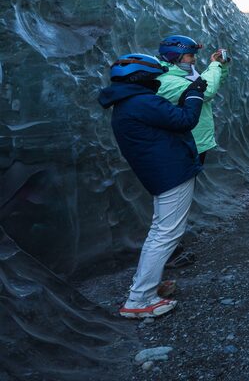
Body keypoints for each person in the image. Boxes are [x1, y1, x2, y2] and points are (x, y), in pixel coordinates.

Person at [98, 53, 208, 318]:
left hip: (161, 171)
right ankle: (139, 300)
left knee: (161, 230)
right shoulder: (140, 101)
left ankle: (145, 286)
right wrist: (195, 94)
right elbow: (184, 120)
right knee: (165, 233)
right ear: (142, 76)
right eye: (154, 75)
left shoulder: (128, 102)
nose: (157, 78)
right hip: (170, 171)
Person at [155, 34, 230, 268]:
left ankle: (170, 249)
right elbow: (204, 91)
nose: (193, 59)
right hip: (185, 145)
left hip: (194, 142)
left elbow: (206, 87)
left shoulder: (182, 73)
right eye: (189, 55)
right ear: (174, 56)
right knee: (174, 203)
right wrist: (215, 65)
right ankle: (166, 255)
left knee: (176, 202)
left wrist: (221, 67)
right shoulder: (168, 80)